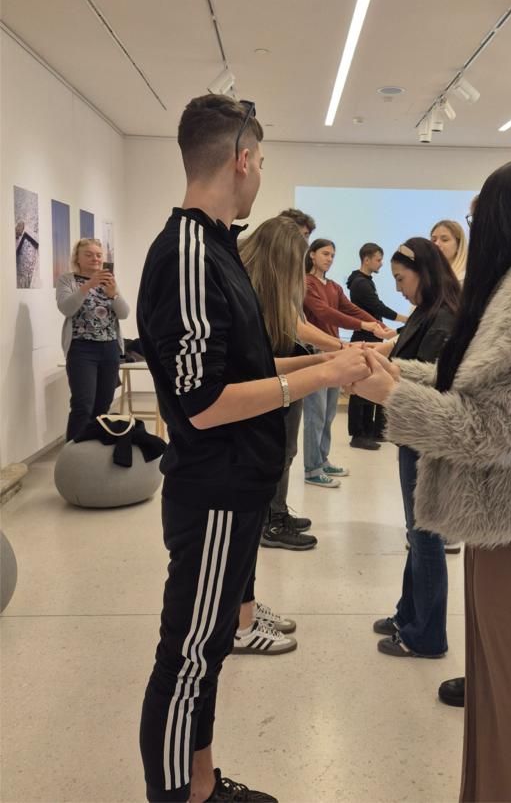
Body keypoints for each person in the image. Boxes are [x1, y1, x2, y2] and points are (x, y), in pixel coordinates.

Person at [136, 94, 370, 803]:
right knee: (188, 658)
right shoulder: (186, 253)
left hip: (236, 488)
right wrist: (320, 376)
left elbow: (245, 366)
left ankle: (202, 781)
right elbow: (204, 403)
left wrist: (325, 364)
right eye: (261, 160)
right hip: (214, 490)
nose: (261, 173)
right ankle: (181, 794)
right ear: (241, 160)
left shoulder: (217, 246)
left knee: (208, 651)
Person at [350, 156, 511, 803]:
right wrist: (394, 376)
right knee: (494, 691)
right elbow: (466, 385)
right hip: (500, 520)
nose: (471, 230)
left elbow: (493, 431)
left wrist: (391, 395)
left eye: (477, 217)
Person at [370, 238, 460, 658]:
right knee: (418, 532)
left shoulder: (441, 318)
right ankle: (409, 614)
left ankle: (427, 635)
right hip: (414, 434)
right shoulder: (428, 311)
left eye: (401, 279)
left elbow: (427, 383)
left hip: (424, 437)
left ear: (423, 273)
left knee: (425, 536)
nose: (398, 288)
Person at [239, 217, 317, 551]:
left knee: (285, 450)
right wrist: (325, 362)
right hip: (273, 388)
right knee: (277, 452)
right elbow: (260, 363)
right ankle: (271, 521)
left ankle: (277, 512)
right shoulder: (252, 298)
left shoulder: (268, 295)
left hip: (283, 383)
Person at [303, 238, 394, 488]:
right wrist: (365, 325)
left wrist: (378, 325)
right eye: (325, 254)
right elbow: (325, 313)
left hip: (336, 352)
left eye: (332, 255)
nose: (329, 259)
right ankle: (311, 469)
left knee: (329, 412)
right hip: (316, 354)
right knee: (315, 413)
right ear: (312, 255)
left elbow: (350, 309)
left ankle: (322, 460)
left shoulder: (333, 286)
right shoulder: (306, 283)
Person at [56, 238, 129, 440]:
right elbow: (66, 308)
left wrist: (113, 295)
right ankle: (73, 452)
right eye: (88, 254)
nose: (95, 258)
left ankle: (93, 451)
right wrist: (88, 285)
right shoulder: (67, 280)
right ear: (77, 258)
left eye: (98, 255)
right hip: (81, 349)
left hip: (110, 348)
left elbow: (124, 314)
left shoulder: (109, 280)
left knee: (103, 405)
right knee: (82, 405)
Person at [346, 243, 407, 450]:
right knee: (361, 386)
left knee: (371, 381)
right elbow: (377, 307)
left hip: (373, 335)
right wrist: (404, 319)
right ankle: (358, 434)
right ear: (367, 260)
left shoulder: (365, 281)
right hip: (364, 336)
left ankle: (370, 430)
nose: (381, 263)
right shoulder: (360, 283)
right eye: (378, 259)